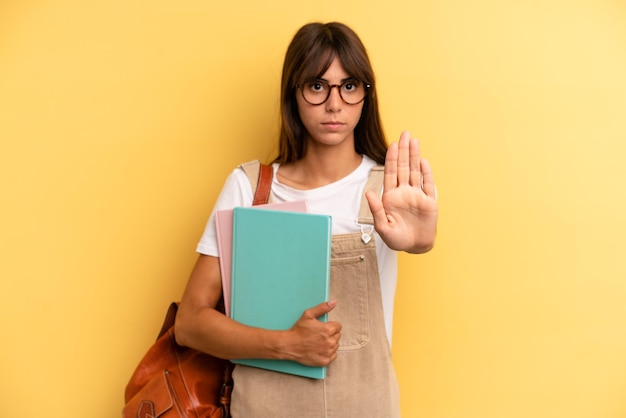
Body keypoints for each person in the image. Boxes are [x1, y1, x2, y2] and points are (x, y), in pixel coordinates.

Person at [175, 21, 438, 417]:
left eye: (349, 86)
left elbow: (417, 239)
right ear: (293, 94)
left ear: (366, 95)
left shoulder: (390, 188)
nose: (334, 104)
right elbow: (190, 323)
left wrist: (420, 240)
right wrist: (286, 344)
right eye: (317, 86)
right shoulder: (251, 189)